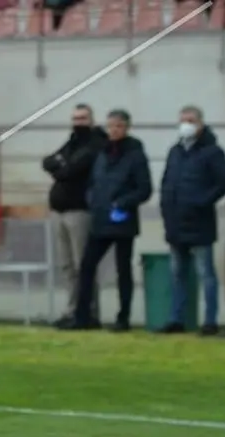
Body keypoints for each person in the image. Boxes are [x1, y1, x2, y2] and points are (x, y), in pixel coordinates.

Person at [61, 109, 152, 332]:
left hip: (123, 220)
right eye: (111, 126)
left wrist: (122, 203)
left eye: (118, 126)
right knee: (87, 266)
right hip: (100, 219)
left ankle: (123, 317)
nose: (113, 130)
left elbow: (144, 189)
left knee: (123, 269)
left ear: (127, 127)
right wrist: (93, 200)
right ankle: (82, 316)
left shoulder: (135, 154)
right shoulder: (103, 153)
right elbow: (93, 182)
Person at [157, 105, 225, 335]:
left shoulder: (212, 151)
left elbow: (224, 181)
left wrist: (204, 201)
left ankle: (209, 321)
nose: (186, 125)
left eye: (190, 120)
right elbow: (167, 183)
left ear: (200, 123)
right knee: (177, 274)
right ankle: (176, 319)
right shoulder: (175, 151)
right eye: (183, 120)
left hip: (199, 223)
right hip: (176, 222)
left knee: (205, 274)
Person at [44, 104, 107, 328]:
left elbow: (73, 168)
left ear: (91, 119)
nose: (78, 122)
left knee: (84, 265)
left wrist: (62, 166)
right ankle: (72, 309)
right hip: (59, 211)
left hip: (80, 211)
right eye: (75, 118)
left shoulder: (96, 143)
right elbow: (49, 161)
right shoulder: (72, 142)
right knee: (67, 266)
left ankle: (89, 311)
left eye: (82, 118)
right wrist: (61, 165)